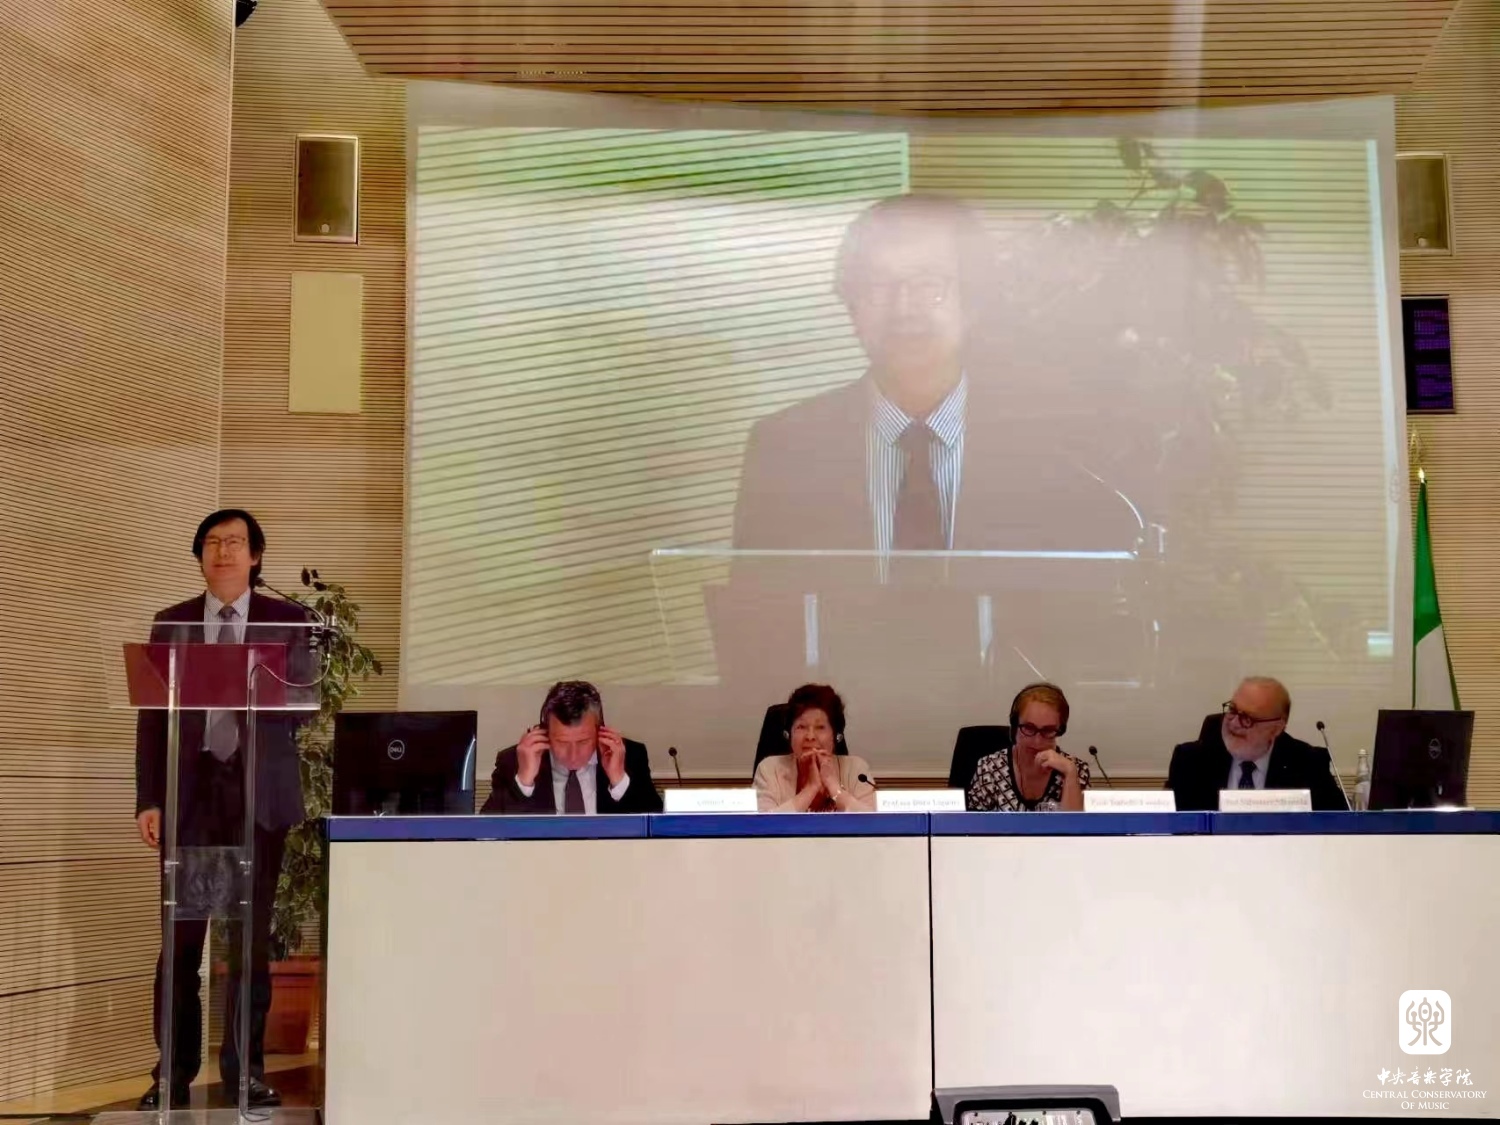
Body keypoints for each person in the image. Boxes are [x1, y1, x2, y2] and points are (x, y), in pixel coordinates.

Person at [730, 192, 1139, 553]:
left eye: (929, 285)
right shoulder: (786, 448)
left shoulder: (1047, 443)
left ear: (973, 302)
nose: (904, 307)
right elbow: (757, 606)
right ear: (851, 307)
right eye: (877, 286)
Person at [134, 509, 315, 1110]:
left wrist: (248, 684)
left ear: (255, 556)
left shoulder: (290, 621)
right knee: (181, 944)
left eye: (235, 542)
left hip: (257, 798)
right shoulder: (174, 624)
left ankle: (246, 1074)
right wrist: (150, 798)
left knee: (248, 946)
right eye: (212, 542)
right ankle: (172, 1075)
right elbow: (152, 720)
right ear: (200, 557)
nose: (223, 551)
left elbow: (304, 705)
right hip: (191, 799)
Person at [1165, 676, 1349, 811]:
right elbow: (1169, 827)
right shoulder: (1190, 761)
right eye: (1232, 710)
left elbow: (1338, 827)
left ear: (1276, 728)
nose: (1234, 723)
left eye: (1247, 718)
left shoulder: (1308, 764)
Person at [481, 680, 664, 814]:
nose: (573, 755)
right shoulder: (513, 761)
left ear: (600, 731)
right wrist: (524, 781)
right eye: (562, 742)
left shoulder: (630, 756)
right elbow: (485, 835)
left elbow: (658, 831)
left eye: (583, 742)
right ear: (544, 732)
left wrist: (619, 781)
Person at [966, 682, 1089, 811]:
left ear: (1060, 730)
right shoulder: (989, 768)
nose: (1037, 741)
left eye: (1048, 730)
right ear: (1015, 726)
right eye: (1029, 728)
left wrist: (1070, 772)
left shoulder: (1076, 770)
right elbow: (973, 822)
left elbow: (1074, 823)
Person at [754, 684, 876, 812]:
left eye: (820, 727)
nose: (810, 736)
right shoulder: (769, 770)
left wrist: (834, 786)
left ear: (836, 735)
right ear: (789, 734)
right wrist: (810, 789)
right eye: (801, 727)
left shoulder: (856, 770)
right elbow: (765, 822)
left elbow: (872, 821)